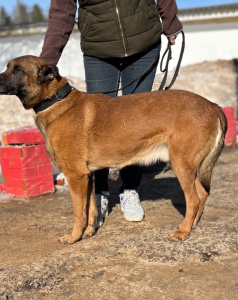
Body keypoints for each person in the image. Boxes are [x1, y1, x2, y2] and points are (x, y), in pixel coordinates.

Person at [40, 0, 183, 227]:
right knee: (97, 128)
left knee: (137, 125)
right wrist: (45, 65)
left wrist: (170, 21)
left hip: (143, 41)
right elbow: (61, 13)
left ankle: (130, 189)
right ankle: (100, 191)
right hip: (99, 49)